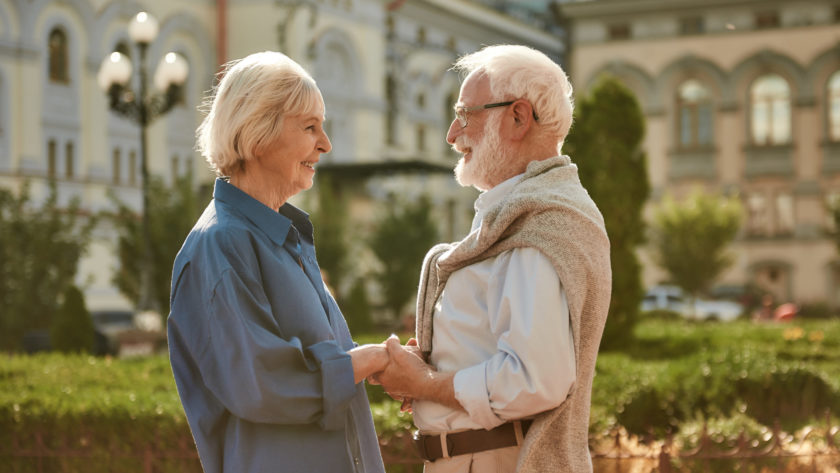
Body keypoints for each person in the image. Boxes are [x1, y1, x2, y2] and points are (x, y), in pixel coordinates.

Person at [373, 45, 612, 472]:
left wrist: (424, 383)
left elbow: (534, 380)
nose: (451, 133)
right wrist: (436, 363)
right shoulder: (524, 214)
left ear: (518, 117)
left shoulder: (536, 222)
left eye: (465, 114)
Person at [167, 51, 387, 473]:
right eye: (310, 127)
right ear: (257, 132)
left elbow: (321, 364)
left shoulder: (282, 239)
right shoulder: (220, 244)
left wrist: (382, 363)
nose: (325, 144)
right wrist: (368, 361)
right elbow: (262, 384)